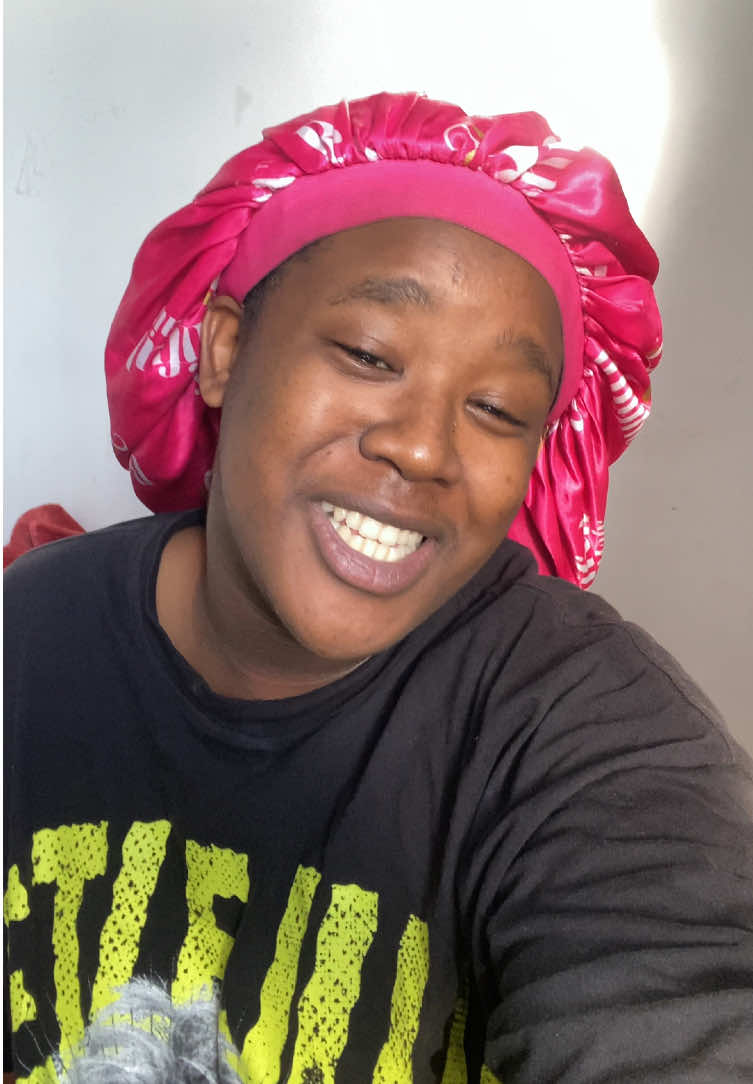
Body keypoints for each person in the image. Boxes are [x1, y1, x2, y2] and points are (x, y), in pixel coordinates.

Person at [4, 91, 752, 1084]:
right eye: (368, 355)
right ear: (225, 350)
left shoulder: (583, 727)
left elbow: (676, 988)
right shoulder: (27, 637)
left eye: (497, 409)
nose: (424, 447)